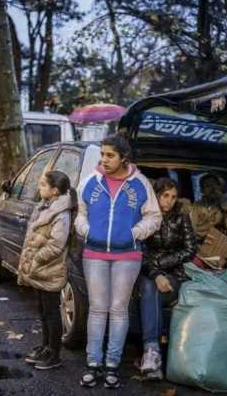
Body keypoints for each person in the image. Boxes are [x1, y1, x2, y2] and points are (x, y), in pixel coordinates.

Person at [75, 135, 162, 389]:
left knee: (118, 310)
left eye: (110, 155)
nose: (104, 159)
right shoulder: (92, 180)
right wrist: (87, 231)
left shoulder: (140, 183)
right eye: (102, 154)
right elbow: (80, 211)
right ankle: (93, 364)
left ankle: (112, 366)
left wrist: (133, 233)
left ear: (124, 157)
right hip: (94, 253)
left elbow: (154, 217)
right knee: (97, 309)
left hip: (127, 256)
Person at [138, 177, 197, 379]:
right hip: (146, 273)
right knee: (149, 288)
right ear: (156, 195)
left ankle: (151, 353)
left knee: (151, 293)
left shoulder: (181, 218)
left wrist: (161, 267)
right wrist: (155, 273)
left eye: (173, 197)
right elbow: (139, 249)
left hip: (174, 273)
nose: (169, 201)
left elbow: (190, 249)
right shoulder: (144, 216)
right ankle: (154, 351)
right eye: (165, 196)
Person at [17, 170, 75, 371]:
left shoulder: (62, 214)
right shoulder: (44, 206)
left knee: (51, 312)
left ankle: (54, 353)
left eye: (43, 185)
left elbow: (56, 245)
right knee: (42, 309)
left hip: (49, 269)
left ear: (55, 191)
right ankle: (45, 345)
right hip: (39, 269)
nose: (39, 187)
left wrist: (35, 260)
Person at [188, 173, 226, 243]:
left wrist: (221, 200)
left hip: (221, 242)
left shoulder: (225, 205)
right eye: (208, 186)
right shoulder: (197, 206)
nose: (212, 189)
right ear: (202, 190)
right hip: (200, 243)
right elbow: (191, 230)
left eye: (215, 185)